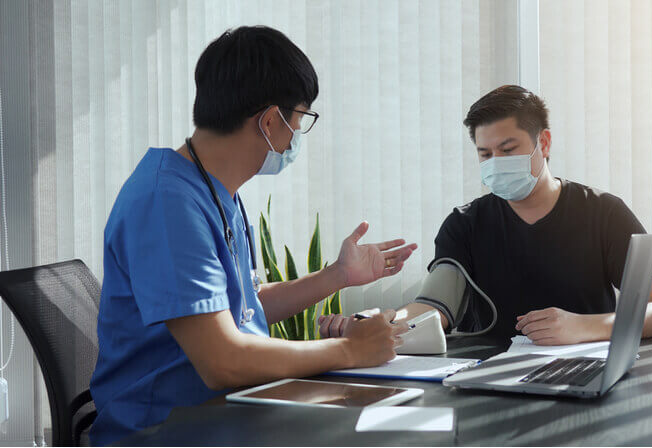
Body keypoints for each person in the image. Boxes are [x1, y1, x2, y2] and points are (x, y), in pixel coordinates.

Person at [89, 26, 416, 446]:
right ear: (269, 121)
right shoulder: (167, 203)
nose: (298, 135)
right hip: (165, 430)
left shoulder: (213, 189)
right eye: (301, 120)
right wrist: (352, 351)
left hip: (229, 414)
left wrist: (337, 276)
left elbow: (243, 307)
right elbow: (222, 361)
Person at [320, 85, 652, 344]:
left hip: (586, 369)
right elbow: (435, 306)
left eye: (508, 150)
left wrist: (586, 326)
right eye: (485, 154)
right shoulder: (465, 224)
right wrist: (376, 321)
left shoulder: (604, 212)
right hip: (491, 379)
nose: (496, 164)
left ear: (545, 144)